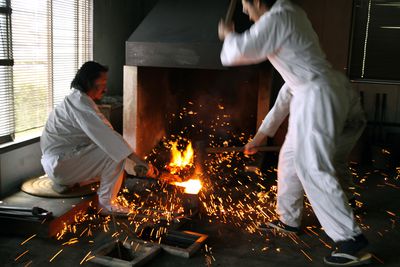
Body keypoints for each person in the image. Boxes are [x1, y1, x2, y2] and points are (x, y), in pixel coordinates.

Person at [218, 0, 371, 265]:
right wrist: (260, 137)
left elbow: (236, 53)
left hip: (318, 94)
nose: (244, 10)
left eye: (246, 4)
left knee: (312, 166)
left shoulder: (279, 17)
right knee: (289, 158)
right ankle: (289, 220)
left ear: (257, 1)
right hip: (310, 92)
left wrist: (229, 34)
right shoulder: (289, 19)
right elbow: (286, 94)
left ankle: (351, 240)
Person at [40, 61, 158, 215]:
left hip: (60, 162)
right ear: (91, 82)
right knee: (112, 154)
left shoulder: (78, 99)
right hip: (61, 165)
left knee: (114, 156)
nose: (106, 88)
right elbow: (108, 137)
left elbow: (105, 137)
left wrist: (132, 163)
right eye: (103, 83)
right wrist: (138, 160)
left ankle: (72, 182)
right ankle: (106, 205)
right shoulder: (80, 103)